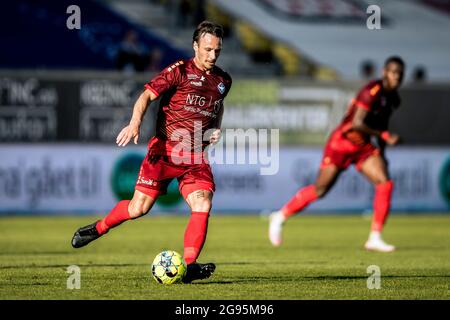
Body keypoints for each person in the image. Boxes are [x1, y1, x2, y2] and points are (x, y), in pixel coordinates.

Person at [72, 21, 232, 283]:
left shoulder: (223, 80)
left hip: (194, 156)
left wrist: (215, 128)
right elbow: (145, 96)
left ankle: (189, 267)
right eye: (207, 49)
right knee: (138, 209)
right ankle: (99, 228)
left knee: (202, 203)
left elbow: (219, 106)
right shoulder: (178, 71)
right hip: (165, 150)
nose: (212, 55)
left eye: (217, 50)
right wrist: (135, 122)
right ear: (195, 46)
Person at [269, 56, 405, 253]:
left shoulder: (394, 99)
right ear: (384, 72)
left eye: (400, 74)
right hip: (342, 143)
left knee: (385, 183)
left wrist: (382, 153)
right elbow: (358, 123)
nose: (396, 78)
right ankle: (280, 216)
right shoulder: (371, 91)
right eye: (393, 73)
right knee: (320, 190)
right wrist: (383, 135)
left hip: (364, 147)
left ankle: (375, 237)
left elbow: (381, 125)